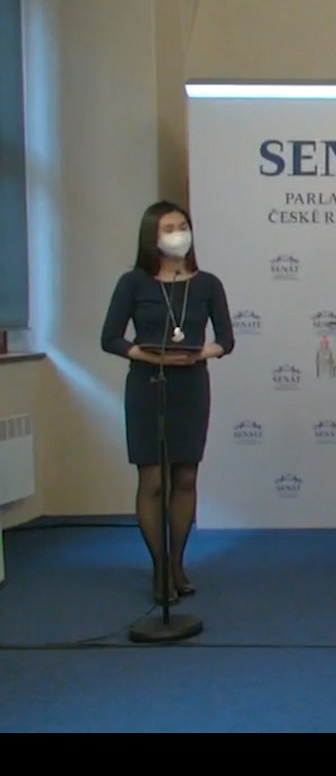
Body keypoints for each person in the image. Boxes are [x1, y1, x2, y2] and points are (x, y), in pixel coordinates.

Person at [101, 201, 234, 602]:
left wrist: (201, 353)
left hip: (190, 385)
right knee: (154, 480)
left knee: (185, 478)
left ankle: (177, 563)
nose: (179, 234)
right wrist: (148, 355)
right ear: (152, 237)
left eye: (183, 226)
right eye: (169, 228)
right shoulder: (133, 283)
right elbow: (110, 338)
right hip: (147, 385)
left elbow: (226, 340)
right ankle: (159, 569)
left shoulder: (207, 284)